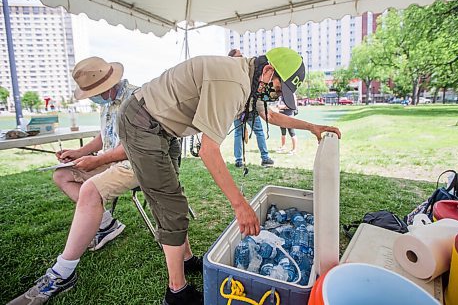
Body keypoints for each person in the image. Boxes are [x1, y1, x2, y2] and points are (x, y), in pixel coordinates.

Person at [118, 47, 341, 305]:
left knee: (173, 194)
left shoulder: (249, 78)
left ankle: (187, 260)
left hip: (164, 127)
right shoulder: (233, 82)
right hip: (142, 122)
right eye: (279, 89)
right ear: (268, 71)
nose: (276, 95)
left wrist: (311, 127)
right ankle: (176, 292)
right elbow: (208, 151)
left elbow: (268, 114)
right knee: (171, 206)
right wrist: (240, 205)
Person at [8, 57, 202, 305]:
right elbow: (103, 137)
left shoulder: (136, 98)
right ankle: (105, 223)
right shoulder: (108, 102)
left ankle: (63, 272)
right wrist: (80, 153)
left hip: (138, 161)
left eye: (93, 93)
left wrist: (96, 161)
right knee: (62, 174)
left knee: (90, 189)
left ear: (107, 86)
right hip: (113, 160)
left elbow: (136, 147)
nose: (92, 98)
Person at [229, 49, 274, 167]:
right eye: (239, 56)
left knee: (242, 133)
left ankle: (245, 159)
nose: (242, 57)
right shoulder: (243, 72)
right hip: (244, 110)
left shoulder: (239, 72)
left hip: (247, 110)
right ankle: (258, 158)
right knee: (251, 132)